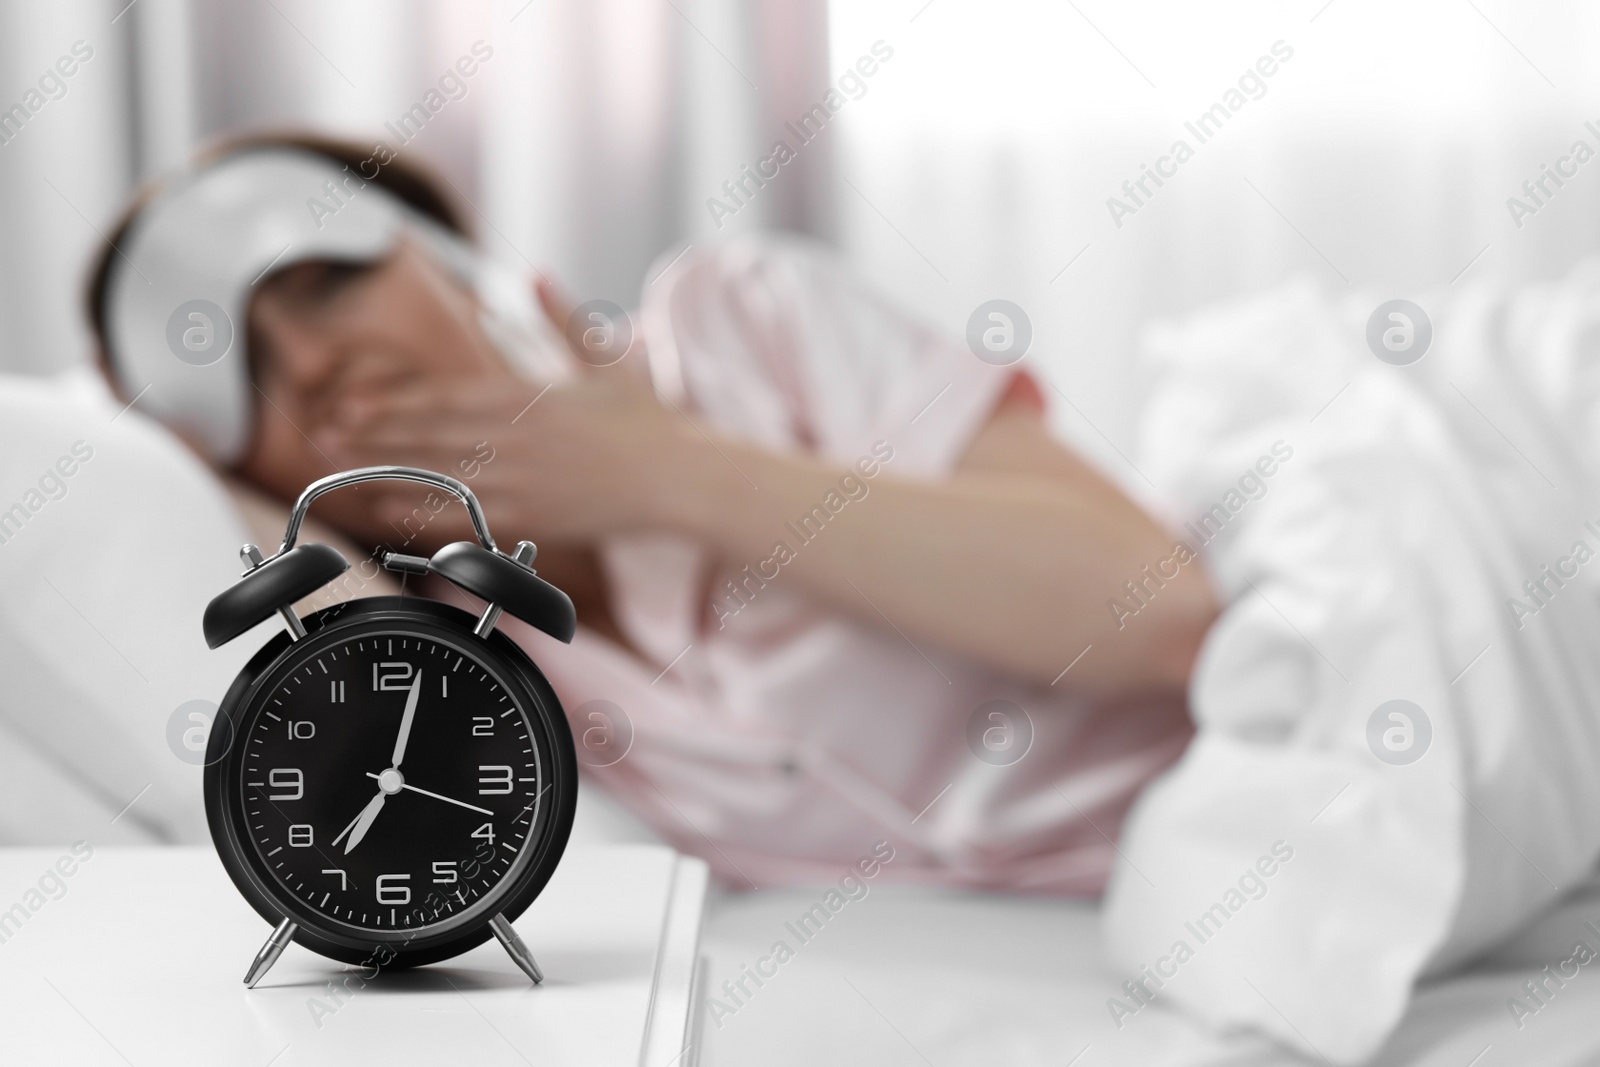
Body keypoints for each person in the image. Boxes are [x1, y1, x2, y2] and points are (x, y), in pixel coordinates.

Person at [88, 135, 1218, 892]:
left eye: (328, 282)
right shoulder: (457, 674)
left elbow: (1162, 613)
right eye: (239, 379)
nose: (321, 367)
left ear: (439, 256)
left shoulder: (741, 323)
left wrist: (662, 473)